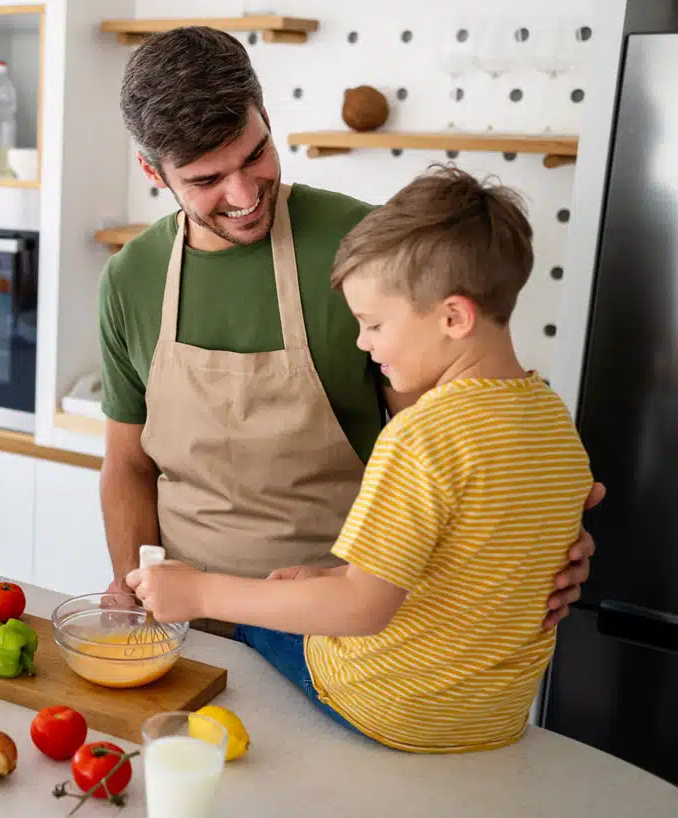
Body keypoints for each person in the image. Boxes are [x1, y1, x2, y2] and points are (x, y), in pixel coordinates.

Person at [96, 26, 596, 633]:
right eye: (205, 181)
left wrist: (528, 546)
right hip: (182, 613)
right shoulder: (130, 280)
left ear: (266, 117)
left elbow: (450, 442)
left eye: (255, 155)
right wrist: (132, 586)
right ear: (154, 172)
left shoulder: (367, 254)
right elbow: (127, 465)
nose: (244, 194)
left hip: (346, 614)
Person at [128, 166, 596, 753]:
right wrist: (335, 575)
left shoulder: (421, 435)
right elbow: (462, 572)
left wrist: (199, 593)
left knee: (240, 629)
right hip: (492, 722)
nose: (362, 343)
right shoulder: (553, 422)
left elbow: (362, 609)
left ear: (454, 318)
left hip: (386, 706)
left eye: (374, 323)